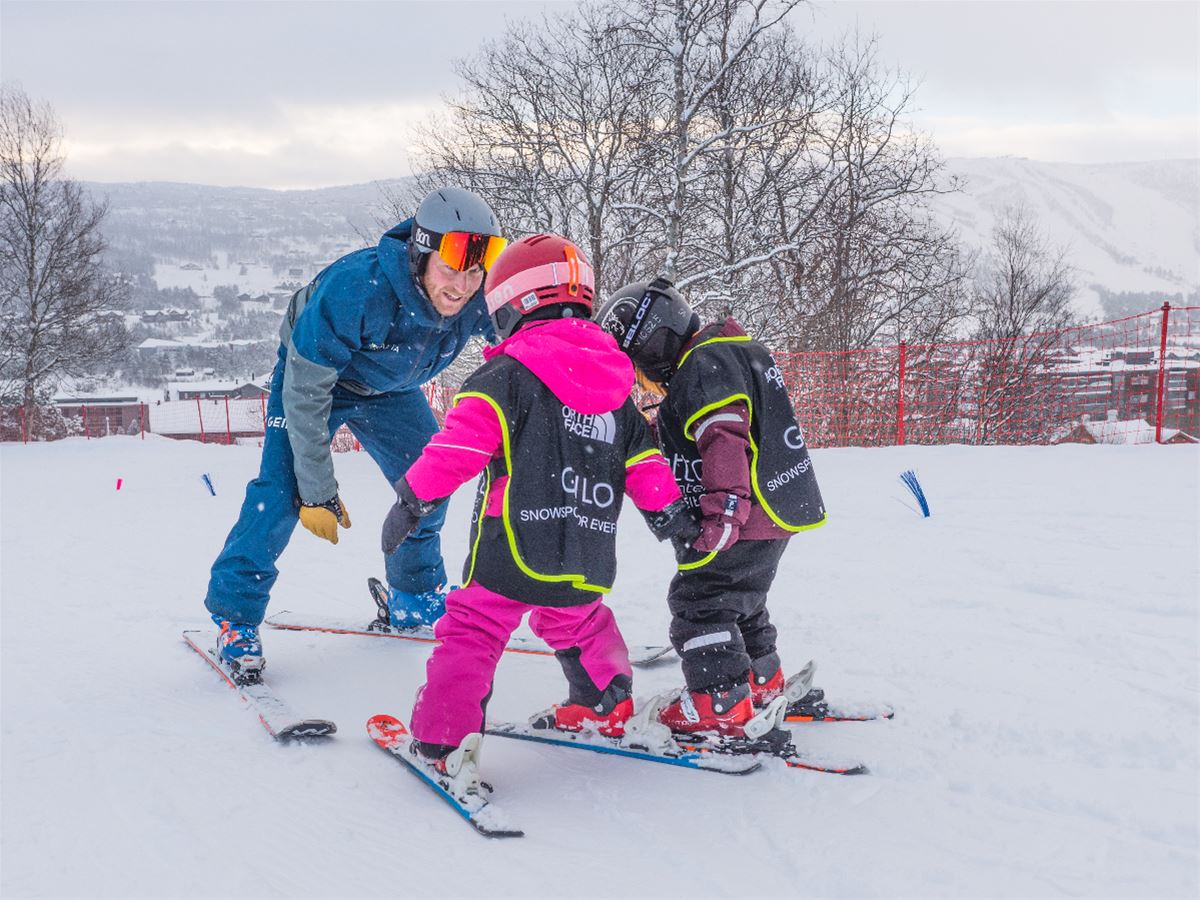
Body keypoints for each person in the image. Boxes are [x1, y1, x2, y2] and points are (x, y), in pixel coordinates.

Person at [378, 234, 697, 774]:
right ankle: (604, 701)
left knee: (474, 628)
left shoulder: (506, 376)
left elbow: (459, 447)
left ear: (513, 303)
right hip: (587, 552)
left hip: (514, 543)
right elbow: (645, 465)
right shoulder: (617, 392)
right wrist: (672, 518)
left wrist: (412, 500)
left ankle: (442, 742)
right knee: (580, 620)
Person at [204, 187, 507, 682]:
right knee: (281, 494)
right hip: (315, 381)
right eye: (450, 269)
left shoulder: (477, 296)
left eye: (475, 272)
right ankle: (234, 618)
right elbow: (306, 394)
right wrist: (317, 491)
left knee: (428, 486)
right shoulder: (356, 288)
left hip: (391, 389)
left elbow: (529, 340)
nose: (462, 286)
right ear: (421, 255)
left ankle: (414, 596)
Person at [595, 277, 827, 738]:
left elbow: (723, 435)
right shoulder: (732, 352)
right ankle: (761, 680)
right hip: (773, 509)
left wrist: (725, 511)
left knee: (700, 603)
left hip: (740, 515)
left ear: (654, 343)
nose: (644, 381)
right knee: (742, 600)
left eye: (639, 368)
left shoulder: (702, 364)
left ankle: (718, 701)